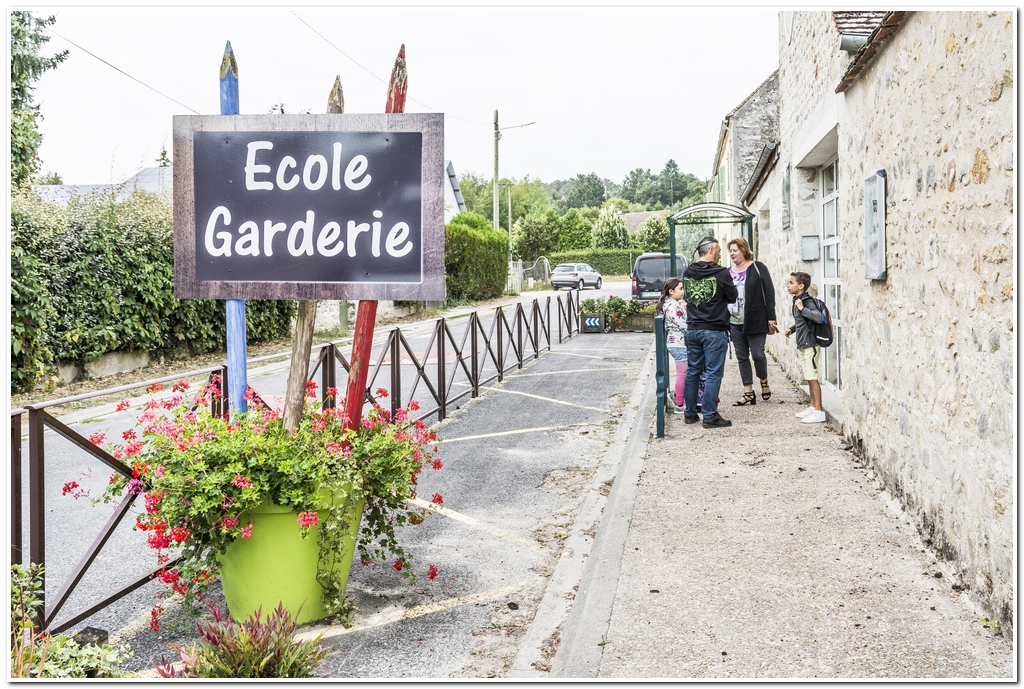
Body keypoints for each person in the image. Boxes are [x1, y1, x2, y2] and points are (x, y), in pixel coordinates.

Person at [681, 236, 738, 428]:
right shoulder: (721, 273)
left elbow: (688, 297)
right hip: (714, 329)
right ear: (712, 250)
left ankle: (690, 414)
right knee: (713, 373)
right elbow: (733, 296)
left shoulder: (688, 272)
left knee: (693, 372)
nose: (720, 254)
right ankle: (710, 415)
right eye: (719, 251)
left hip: (693, 329)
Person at [726, 237, 777, 406]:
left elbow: (769, 292)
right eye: (730, 251)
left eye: (735, 250)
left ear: (743, 250)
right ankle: (748, 392)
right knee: (742, 357)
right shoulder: (728, 272)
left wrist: (771, 316)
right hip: (734, 321)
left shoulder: (758, 267)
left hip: (756, 319)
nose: (732, 253)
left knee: (758, 354)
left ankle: (763, 380)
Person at [783, 271, 827, 423]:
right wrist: (792, 329)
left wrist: (802, 308)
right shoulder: (798, 300)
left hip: (811, 344)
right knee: (808, 377)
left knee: (812, 377)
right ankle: (813, 407)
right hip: (803, 343)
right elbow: (802, 321)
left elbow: (818, 318)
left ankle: (819, 412)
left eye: (791, 283)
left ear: (801, 286)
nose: (788, 285)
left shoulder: (806, 302)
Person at [657, 277, 687, 413]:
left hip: (676, 342)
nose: (683, 291)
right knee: (682, 374)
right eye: (680, 289)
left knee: (683, 373)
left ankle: (677, 396)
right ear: (671, 291)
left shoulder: (671, 304)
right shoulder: (673, 307)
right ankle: (679, 404)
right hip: (679, 343)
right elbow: (683, 326)